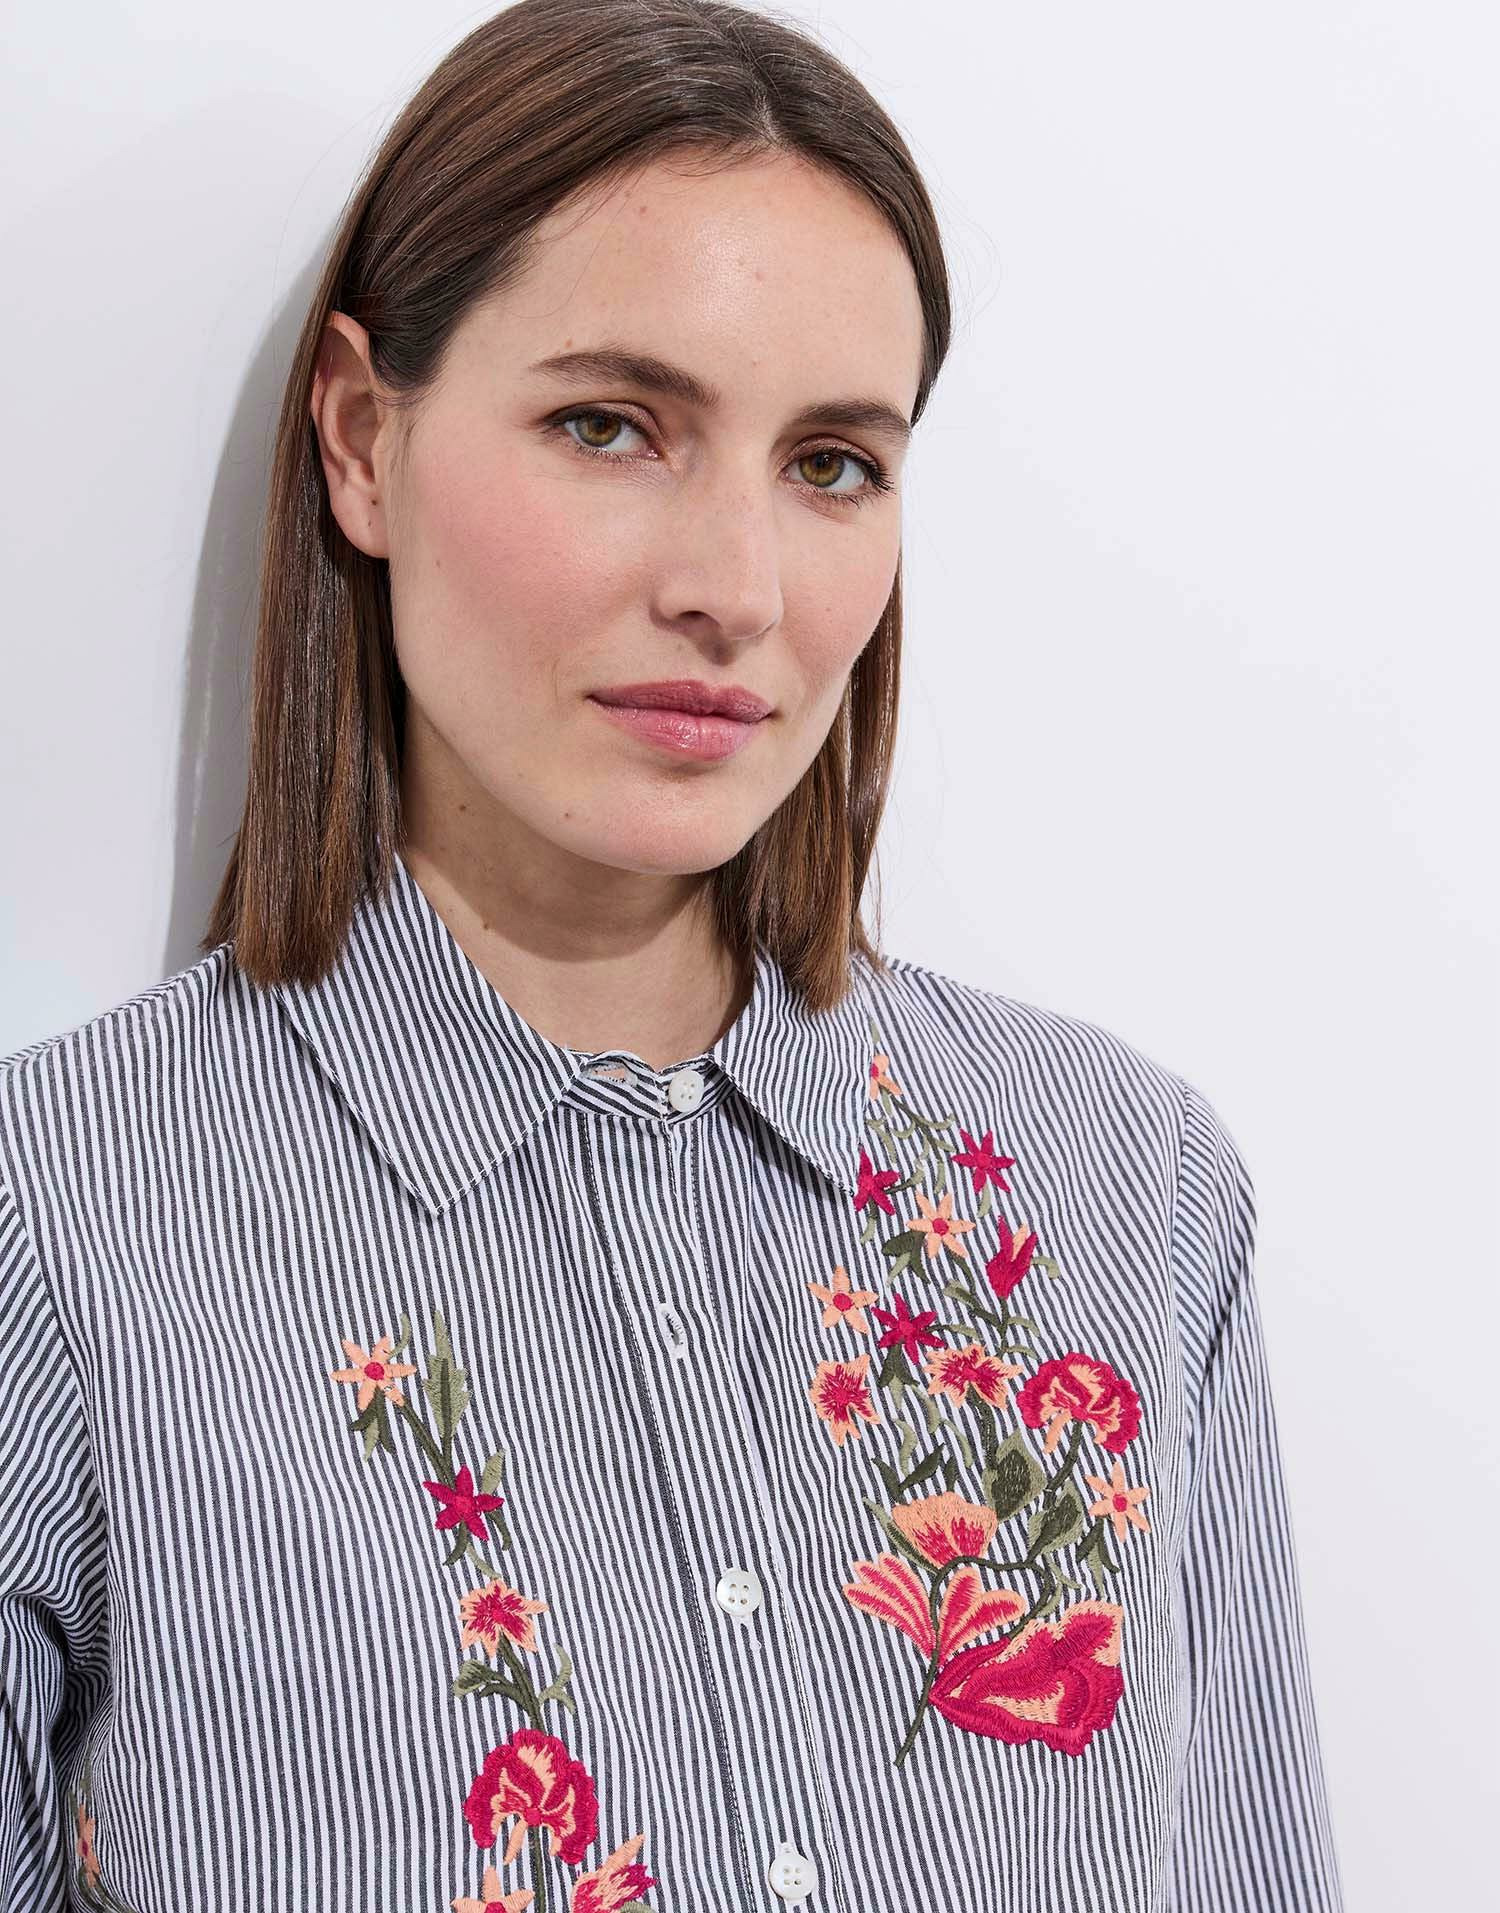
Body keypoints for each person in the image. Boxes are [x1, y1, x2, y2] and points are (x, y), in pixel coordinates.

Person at [0, 2, 1345, 1909]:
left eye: (833, 463)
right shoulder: (59, 1229)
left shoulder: (1133, 1192)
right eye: (611, 426)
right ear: (365, 440)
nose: (738, 588)